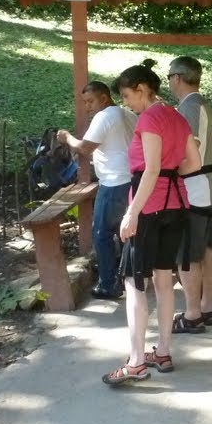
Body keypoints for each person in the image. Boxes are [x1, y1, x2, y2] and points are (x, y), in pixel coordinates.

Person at [102, 64, 201, 386]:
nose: (128, 103)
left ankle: (135, 361)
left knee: (134, 283)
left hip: (148, 208)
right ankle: (164, 351)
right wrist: (171, 175)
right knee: (163, 279)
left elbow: (151, 169)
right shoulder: (177, 116)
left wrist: (132, 212)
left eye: (129, 95)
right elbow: (194, 163)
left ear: (143, 89)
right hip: (177, 206)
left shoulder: (149, 119)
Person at [57, 81, 137, 299]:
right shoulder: (127, 114)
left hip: (113, 183)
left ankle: (108, 283)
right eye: (84, 102)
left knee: (101, 234)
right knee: (126, 233)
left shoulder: (105, 116)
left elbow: (85, 147)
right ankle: (131, 279)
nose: (88, 107)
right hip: (132, 180)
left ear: (104, 97)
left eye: (90, 101)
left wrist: (67, 138)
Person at [168, 56, 212, 333]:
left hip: (193, 186)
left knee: (188, 252)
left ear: (177, 77)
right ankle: (206, 307)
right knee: (209, 247)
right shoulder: (203, 106)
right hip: (208, 184)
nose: (169, 82)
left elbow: (190, 148)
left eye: (169, 77)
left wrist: (170, 171)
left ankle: (192, 314)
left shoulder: (189, 107)